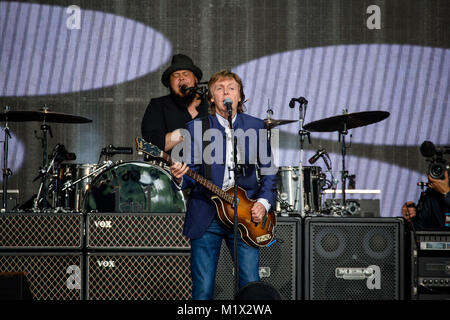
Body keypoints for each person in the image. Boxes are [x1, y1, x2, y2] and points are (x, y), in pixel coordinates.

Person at [170, 70, 277, 300]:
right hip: (207, 214)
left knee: (250, 286)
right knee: (203, 290)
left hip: (246, 215)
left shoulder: (256, 127)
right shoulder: (197, 128)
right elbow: (191, 174)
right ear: (211, 98)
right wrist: (180, 176)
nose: (225, 92)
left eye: (231, 88)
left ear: (240, 96)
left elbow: (269, 172)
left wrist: (263, 203)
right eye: (219, 88)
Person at [141, 54, 209, 152]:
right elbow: (151, 145)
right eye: (176, 75)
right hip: (168, 166)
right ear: (169, 83)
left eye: (185, 74)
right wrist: (185, 133)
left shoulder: (211, 106)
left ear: (195, 80)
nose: (181, 77)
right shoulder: (158, 106)